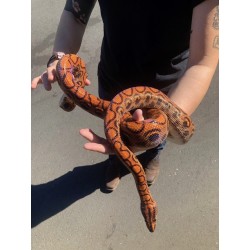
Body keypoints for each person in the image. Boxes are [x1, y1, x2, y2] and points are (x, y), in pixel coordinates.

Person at [31, 0, 219, 191]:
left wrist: (158, 128)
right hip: (112, 78)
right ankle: (117, 161)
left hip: (167, 94)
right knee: (115, 131)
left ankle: (151, 157)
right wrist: (59, 57)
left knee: (153, 138)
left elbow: (202, 63)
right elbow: (75, 15)